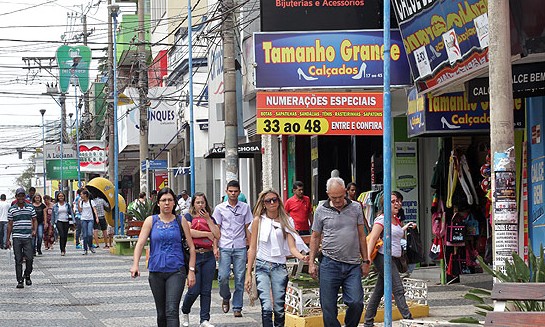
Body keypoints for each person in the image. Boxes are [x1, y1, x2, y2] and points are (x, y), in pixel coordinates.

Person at [308, 177, 370, 327]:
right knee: (328, 307)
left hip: (352, 265)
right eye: (333, 197)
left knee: (356, 302)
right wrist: (311, 262)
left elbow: (362, 235)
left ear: (345, 192)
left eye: (340, 197)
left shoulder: (356, 207)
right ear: (328, 193)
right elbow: (315, 237)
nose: (337, 200)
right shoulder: (321, 210)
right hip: (329, 263)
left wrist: (366, 260)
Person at [131, 187, 196, 327]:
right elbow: (140, 243)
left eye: (170, 200)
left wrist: (191, 271)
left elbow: (191, 247)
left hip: (176, 271)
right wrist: (135, 264)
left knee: (171, 311)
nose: (167, 203)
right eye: (164, 200)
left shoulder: (181, 220)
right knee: (161, 313)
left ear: (174, 203)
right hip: (156, 272)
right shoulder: (151, 221)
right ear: (158, 203)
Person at [245, 189, 309, 327]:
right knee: (266, 307)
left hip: (279, 266)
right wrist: (248, 273)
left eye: (274, 199)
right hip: (262, 265)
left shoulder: (287, 220)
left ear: (279, 201)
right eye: (268, 201)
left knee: (279, 308)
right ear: (263, 204)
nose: (272, 203)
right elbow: (252, 248)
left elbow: (292, 247)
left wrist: (302, 257)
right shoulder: (258, 220)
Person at [364, 192, 415, 327]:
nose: (397, 204)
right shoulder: (382, 219)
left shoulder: (395, 219)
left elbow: (395, 235)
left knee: (379, 291)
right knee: (398, 288)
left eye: (398, 201)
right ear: (385, 204)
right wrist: (367, 259)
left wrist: (407, 226)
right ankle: (409, 320)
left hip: (393, 258)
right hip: (383, 257)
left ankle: (368, 321)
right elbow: (373, 238)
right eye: (393, 201)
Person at [213, 180, 253, 317]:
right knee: (223, 276)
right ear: (226, 192)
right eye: (230, 191)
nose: (233, 194)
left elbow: (248, 228)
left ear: (239, 192)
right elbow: (216, 229)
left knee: (240, 278)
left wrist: (251, 247)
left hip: (240, 246)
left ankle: (237, 307)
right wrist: (215, 247)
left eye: (235, 191)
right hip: (224, 245)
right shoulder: (219, 208)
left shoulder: (245, 208)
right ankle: (225, 296)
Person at [181, 192, 220, 327]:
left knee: (206, 289)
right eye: (197, 202)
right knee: (194, 289)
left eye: (202, 202)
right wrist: (207, 234)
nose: (200, 205)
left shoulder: (211, 218)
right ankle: (185, 310)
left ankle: (204, 319)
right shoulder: (188, 216)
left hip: (208, 255)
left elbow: (217, 234)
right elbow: (189, 232)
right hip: (194, 255)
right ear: (193, 204)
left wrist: (208, 220)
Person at [6, 187, 37, 288]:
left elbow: (35, 219)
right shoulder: (12, 209)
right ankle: (20, 280)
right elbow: (10, 224)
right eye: (19, 195)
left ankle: (27, 274)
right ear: (16, 197)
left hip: (28, 237)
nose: (21, 197)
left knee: (30, 258)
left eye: (22, 195)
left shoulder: (30, 207)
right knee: (18, 259)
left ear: (25, 196)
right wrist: (7, 239)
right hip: (17, 237)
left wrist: (34, 230)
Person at [52, 192, 73, 256]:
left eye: (62, 196)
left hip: (66, 221)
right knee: (62, 235)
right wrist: (52, 223)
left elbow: (71, 213)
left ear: (64, 197)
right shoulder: (55, 205)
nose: (61, 198)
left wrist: (73, 221)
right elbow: (53, 215)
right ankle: (62, 250)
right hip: (58, 221)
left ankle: (64, 247)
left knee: (65, 236)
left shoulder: (67, 205)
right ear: (57, 197)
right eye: (59, 196)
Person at [78, 190, 99, 255]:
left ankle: (90, 246)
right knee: (85, 235)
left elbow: (94, 210)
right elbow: (80, 210)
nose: (81, 196)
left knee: (90, 234)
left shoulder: (91, 201)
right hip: (83, 219)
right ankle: (85, 249)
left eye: (81, 194)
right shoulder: (81, 202)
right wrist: (79, 204)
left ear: (85, 195)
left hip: (90, 219)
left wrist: (96, 217)